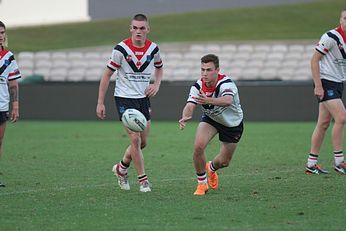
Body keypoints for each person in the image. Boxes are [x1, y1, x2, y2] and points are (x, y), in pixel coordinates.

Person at [96, 14, 163, 192]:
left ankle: (121, 168)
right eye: (135, 28)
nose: (138, 31)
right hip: (124, 98)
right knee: (135, 139)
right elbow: (107, 75)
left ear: (148, 29)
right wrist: (100, 102)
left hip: (143, 99)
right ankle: (143, 181)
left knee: (143, 142)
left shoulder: (154, 49)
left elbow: (159, 67)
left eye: (142, 28)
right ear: (130, 29)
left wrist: (156, 84)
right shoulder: (121, 49)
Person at [179, 54, 243, 196]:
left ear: (217, 70)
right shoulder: (198, 85)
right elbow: (190, 104)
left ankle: (212, 167)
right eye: (202, 70)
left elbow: (227, 100)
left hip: (232, 124)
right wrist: (185, 115)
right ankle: (202, 184)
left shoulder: (226, 83)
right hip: (211, 120)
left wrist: (208, 99)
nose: (205, 73)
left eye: (208, 70)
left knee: (224, 162)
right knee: (198, 146)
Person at [305, 9, 346, 175]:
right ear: (340, 19)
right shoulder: (331, 37)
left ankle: (311, 163)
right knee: (342, 117)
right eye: (345, 18)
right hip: (326, 82)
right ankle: (339, 161)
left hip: (338, 83)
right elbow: (314, 60)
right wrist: (318, 85)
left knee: (323, 124)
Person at [0, 21, 21, 187]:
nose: (1, 36)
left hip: (2, 105)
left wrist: (15, 106)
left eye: (2, 33)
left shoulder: (8, 57)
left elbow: (13, 84)